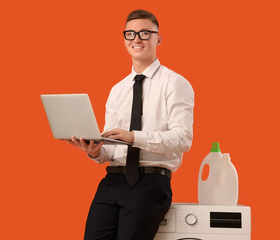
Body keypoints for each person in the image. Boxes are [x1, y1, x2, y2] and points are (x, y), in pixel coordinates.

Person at [67, 9, 194, 240]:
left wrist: (134, 137)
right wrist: (96, 152)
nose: (137, 39)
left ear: (158, 38)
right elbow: (113, 145)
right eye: (130, 34)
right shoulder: (118, 90)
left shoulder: (176, 84)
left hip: (150, 183)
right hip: (113, 180)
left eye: (145, 33)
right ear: (124, 39)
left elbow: (183, 139)